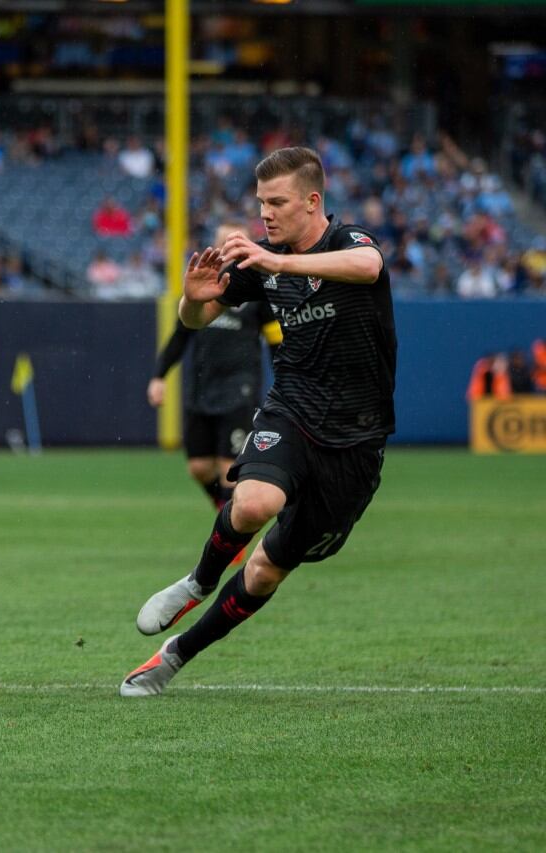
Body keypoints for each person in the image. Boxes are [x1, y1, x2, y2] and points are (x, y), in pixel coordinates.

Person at [122, 147, 396, 696]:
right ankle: (197, 581)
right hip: (293, 406)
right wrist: (192, 302)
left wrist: (279, 262)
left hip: (359, 437)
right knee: (252, 503)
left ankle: (175, 655)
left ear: (313, 201)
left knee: (267, 571)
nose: (266, 214)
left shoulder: (348, 243)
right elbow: (198, 315)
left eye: (278, 202)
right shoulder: (259, 262)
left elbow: (370, 268)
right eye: (261, 203)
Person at [147, 222, 283, 510]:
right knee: (198, 467)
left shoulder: (256, 291)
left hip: (239, 388)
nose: (231, 249)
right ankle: (226, 510)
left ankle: (231, 538)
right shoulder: (201, 287)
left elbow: (275, 341)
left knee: (229, 469)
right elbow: (180, 335)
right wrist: (159, 376)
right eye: (225, 242)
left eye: (237, 242)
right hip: (202, 387)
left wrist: (285, 383)